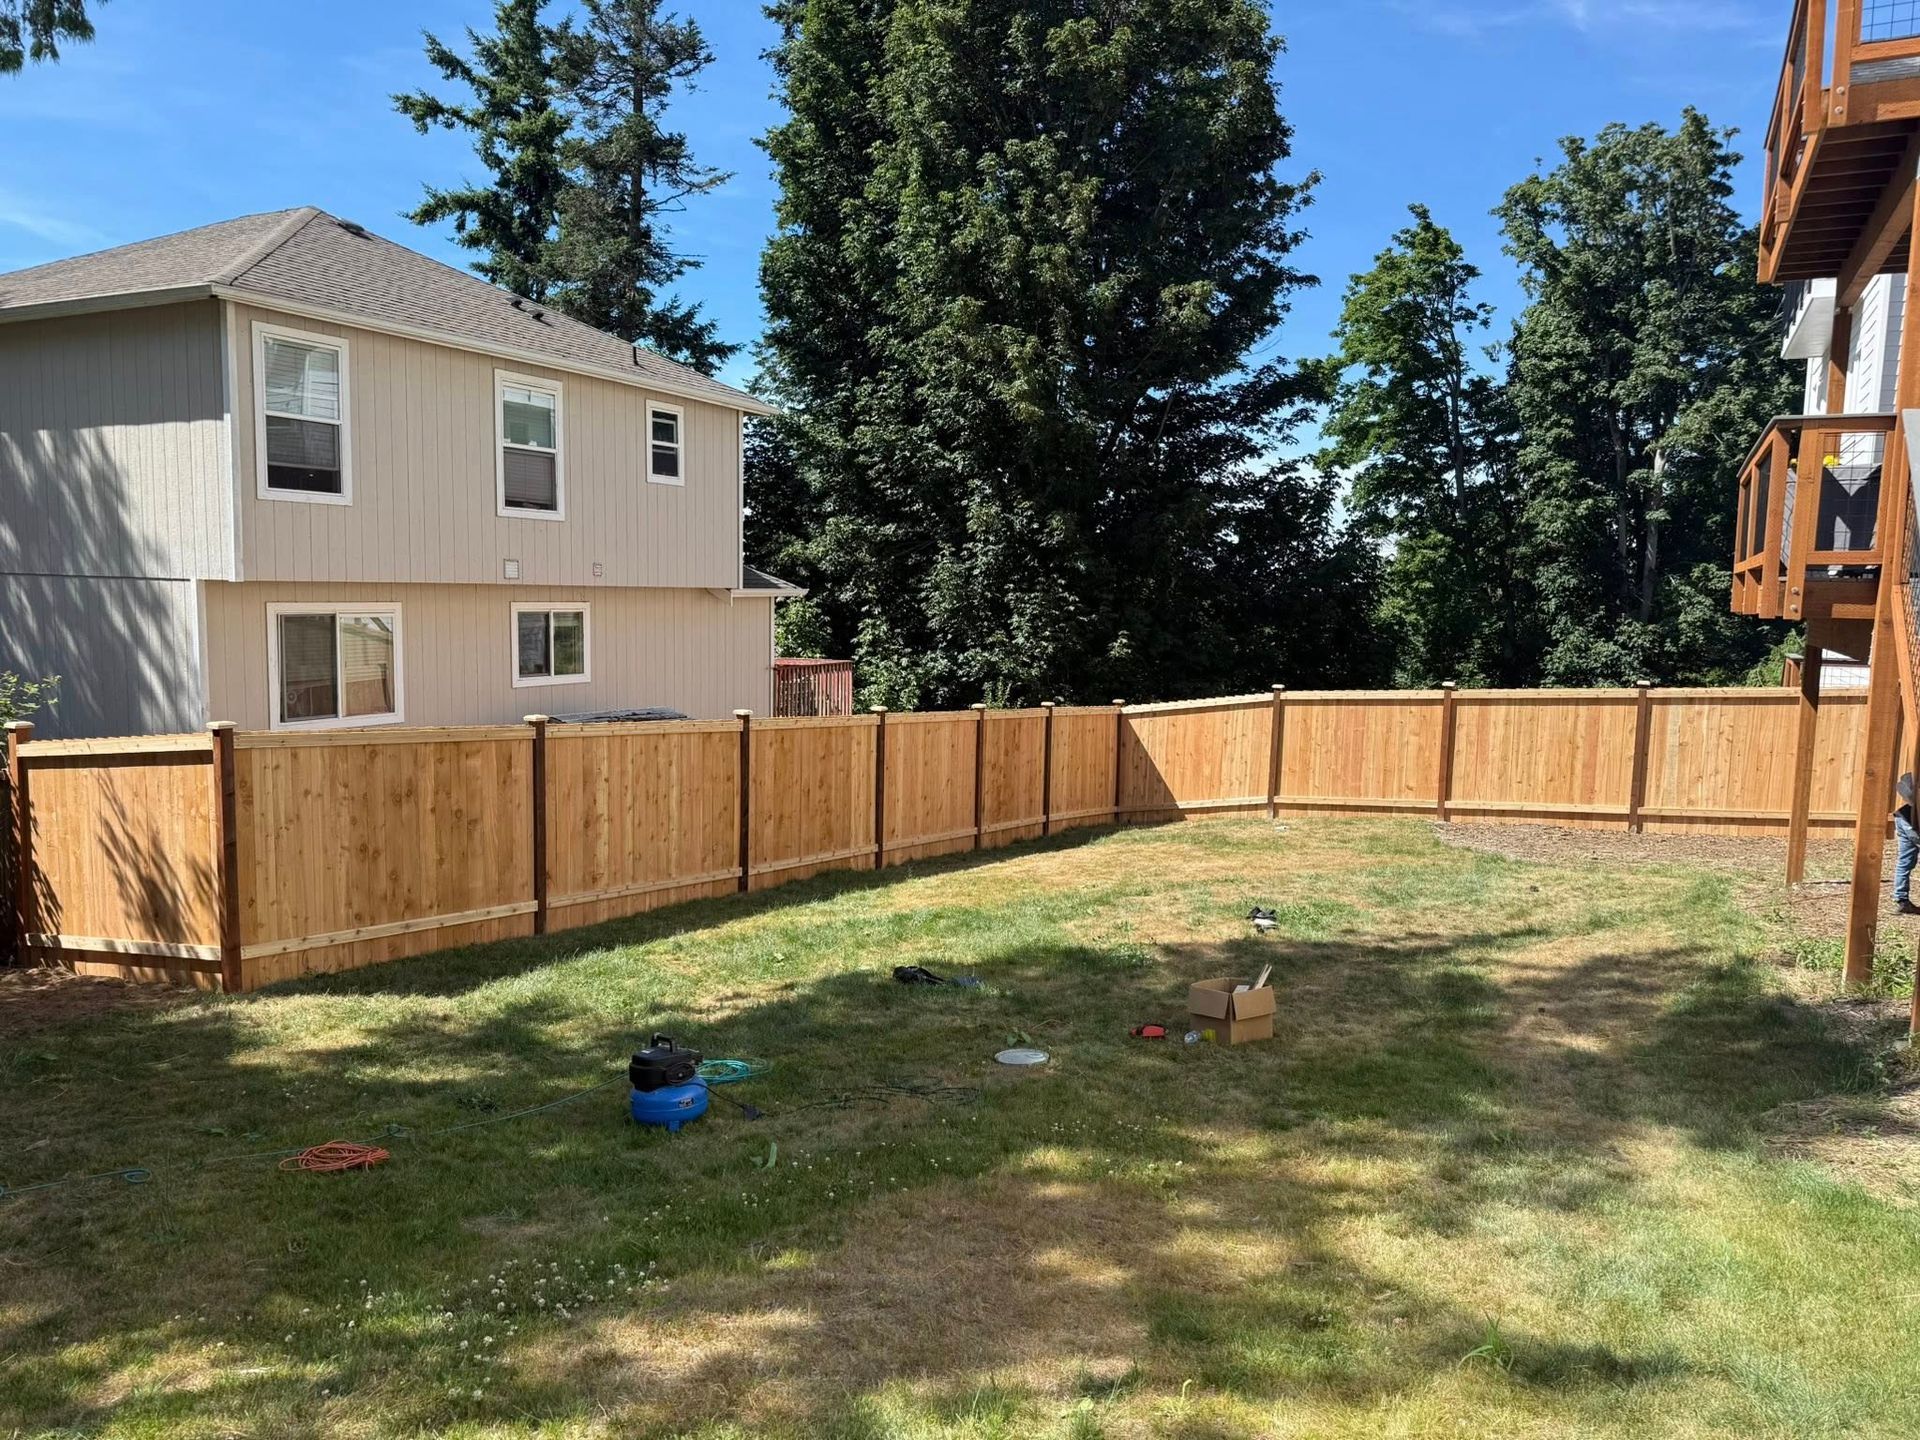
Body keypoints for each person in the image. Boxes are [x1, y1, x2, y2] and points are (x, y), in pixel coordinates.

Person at [1897, 773, 1920, 916]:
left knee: (1905, 861)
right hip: (1908, 820)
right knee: (1905, 861)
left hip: (1902, 817)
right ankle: (1902, 900)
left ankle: (1901, 900)